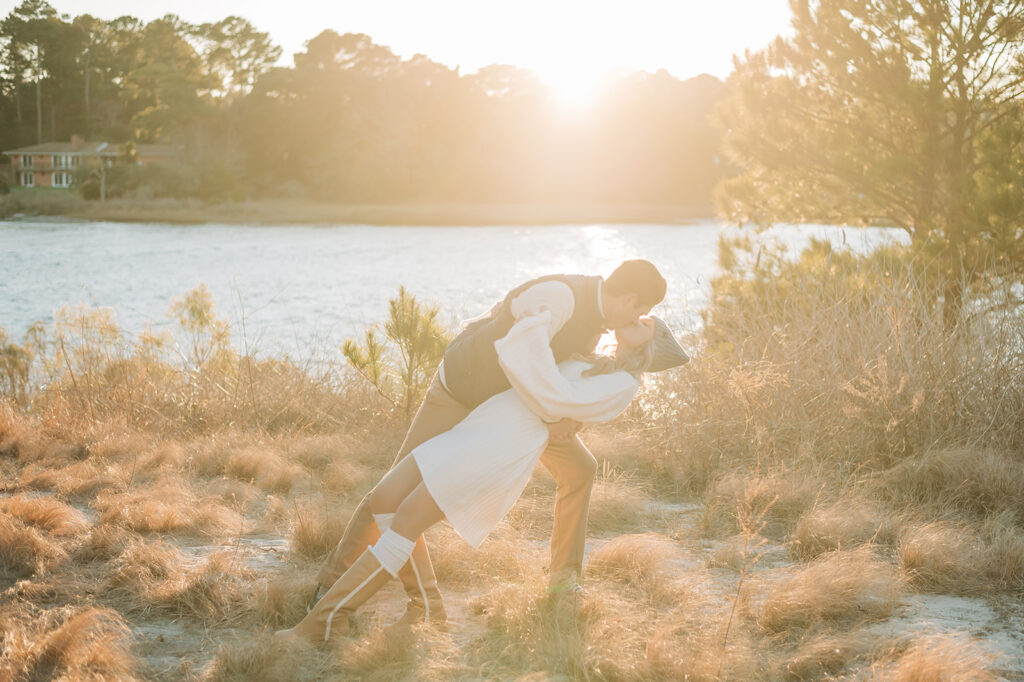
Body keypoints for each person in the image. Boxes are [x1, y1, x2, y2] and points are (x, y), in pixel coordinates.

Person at [276, 314, 688, 644]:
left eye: (645, 323)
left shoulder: (623, 384)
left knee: (405, 523)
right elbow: (546, 393)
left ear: (651, 346)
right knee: (384, 499)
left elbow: (552, 399)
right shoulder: (591, 359)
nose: (638, 317)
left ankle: (327, 621)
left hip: (498, 446)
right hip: (479, 426)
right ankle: (429, 609)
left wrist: (559, 412)